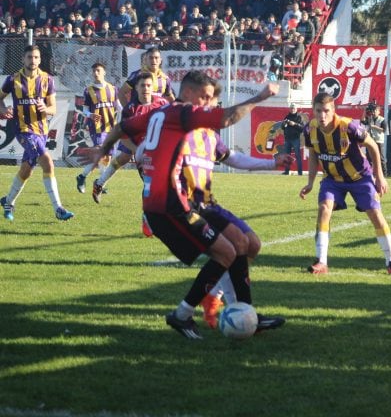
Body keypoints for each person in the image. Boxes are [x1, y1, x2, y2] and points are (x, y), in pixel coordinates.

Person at [87, 72, 282, 339]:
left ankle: (245, 312)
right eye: (204, 97)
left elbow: (123, 128)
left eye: (211, 99)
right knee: (226, 252)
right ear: (188, 93)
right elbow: (226, 117)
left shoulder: (163, 115)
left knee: (242, 243)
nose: (207, 103)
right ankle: (183, 314)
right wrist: (260, 96)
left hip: (190, 201)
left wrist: (103, 148)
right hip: (172, 203)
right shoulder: (182, 113)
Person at [167, 84, 292, 330]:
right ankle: (245, 314)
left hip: (209, 203)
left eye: (214, 102)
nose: (214, 107)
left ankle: (214, 294)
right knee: (238, 246)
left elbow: (232, 158)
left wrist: (271, 163)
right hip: (188, 206)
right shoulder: (177, 130)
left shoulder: (210, 135)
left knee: (253, 244)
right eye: (211, 101)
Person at [299, 92, 391, 276]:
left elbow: (373, 146)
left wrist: (379, 176)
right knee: (324, 208)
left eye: (326, 111)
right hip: (332, 179)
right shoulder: (309, 129)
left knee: (375, 214)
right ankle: (321, 261)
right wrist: (310, 182)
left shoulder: (348, 126)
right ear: (313, 110)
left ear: (333, 110)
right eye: (318, 111)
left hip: (359, 177)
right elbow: (313, 154)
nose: (322, 115)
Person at [0, 45, 73, 221]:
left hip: (41, 130)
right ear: (23, 59)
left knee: (27, 170)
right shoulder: (13, 80)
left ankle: (8, 202)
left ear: (40, 60)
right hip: (23, 130)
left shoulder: (47, 79)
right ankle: (58, 208)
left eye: (35, 57)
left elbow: (53, 108)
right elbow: (0, 99)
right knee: (47, 161)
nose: (32, 61)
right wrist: (3, 109)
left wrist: (45, 109)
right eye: (29, 57)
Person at [92, 72, 168, 204]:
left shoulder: (163, 104)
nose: (146, 88)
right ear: (136, 88)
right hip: (138, 145)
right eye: (142, 86)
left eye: (148, 85)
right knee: (128, 161)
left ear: (153, 87)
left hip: (158, 148)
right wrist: (138, 150)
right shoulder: (129, 110)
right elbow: (122, 136)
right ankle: (100, 183)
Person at [76, 62, 119, 194]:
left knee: (106, 157)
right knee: (101, 153)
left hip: (111, 127)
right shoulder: (89, 90)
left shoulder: (113, 89)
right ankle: (100, 183)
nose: (96, 73)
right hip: (97, 128)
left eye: (98, 70)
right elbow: (85, 110)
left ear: (104, 72)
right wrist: (90, 115)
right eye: (94, 71)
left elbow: (119, 106)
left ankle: (82, 177)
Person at [361, 102, 387, 176]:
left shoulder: (382, 119)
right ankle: (370, 173)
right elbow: (362, 120)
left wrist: (374, 127)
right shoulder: (369, 118)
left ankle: (384, 174)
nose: (374, 112)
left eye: (376, 110)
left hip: (379, 141)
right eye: (373, 110)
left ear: (379, 112)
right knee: (369, 158)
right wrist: (365, 111)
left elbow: (384, 130)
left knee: (381, 158)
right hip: (370, 140)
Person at [281, 102, 304, 175]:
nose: (292, 109)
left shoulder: (299, 117)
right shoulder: (287, 117)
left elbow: (302, 128)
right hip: (287, 139)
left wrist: (294, 124)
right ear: (289, 109)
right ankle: (287, 171)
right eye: (291, 108)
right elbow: (282, 127)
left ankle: (300, 172)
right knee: (287, 156)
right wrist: (283, 125)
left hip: (295, 139)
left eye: (294, 108)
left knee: (298, 156)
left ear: (296, 109)